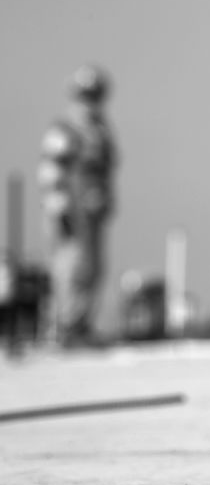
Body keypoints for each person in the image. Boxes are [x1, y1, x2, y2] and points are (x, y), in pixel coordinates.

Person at [36, 65, 117, 347]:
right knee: (69, 268)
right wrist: (57, 204)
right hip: (70, 213)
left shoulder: (101, 132)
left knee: (93, 269)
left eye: (95, 95)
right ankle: (65, 326)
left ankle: (82, 326)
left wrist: (106, 201)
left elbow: (104, 173)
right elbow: (50, 171)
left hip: (93, 215)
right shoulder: (65, 130)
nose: (90, 102)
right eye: (85, 96)